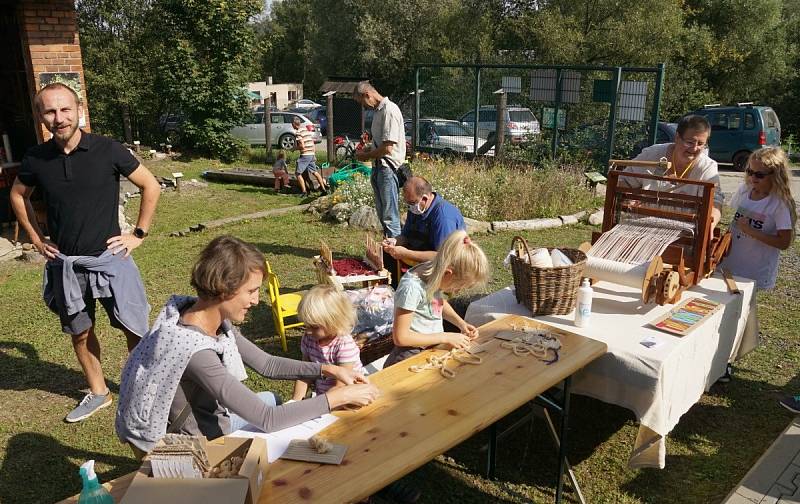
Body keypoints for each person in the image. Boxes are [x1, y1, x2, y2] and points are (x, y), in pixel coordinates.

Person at [116, 235, 379, 455]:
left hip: (202, 416)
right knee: (276, 423)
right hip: (184, 441)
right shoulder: (196, 351)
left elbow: (268, 364)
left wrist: (328, 371)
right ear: (223, 289)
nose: (255, 301)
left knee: (274, 401)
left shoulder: (199, 313)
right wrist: (338, 397)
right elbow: (267, 419)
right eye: (251, 291)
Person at [10, 82, 161, 423]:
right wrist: (35, 238)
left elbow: (150, 185)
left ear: (79, 110)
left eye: (65, 109)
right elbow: (18, 195)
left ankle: (142, 389)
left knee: (134, 328)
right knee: (80, 332)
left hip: (112, 261)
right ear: (41, 117)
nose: (59, 117)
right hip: (67, 266)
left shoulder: (108, 150)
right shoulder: (37, 158)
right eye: (50, 111)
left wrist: (137, 234)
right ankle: (99, 392)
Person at [385, 230, 490, 367]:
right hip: (410, 354)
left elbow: (437, 303)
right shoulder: (411, 289)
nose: (457, 291)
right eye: (458, 287)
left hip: (431, 347)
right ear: (448, 273)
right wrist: (446, 336)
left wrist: (461, 323)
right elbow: (401, 337)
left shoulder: (434, 273)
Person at [620, 114, 724, 230]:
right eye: (690, 142)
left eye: (700, 144)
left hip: (684, 234)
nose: (694, 149)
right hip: (642, 226)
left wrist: (710, 223)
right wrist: (629, 197)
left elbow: (715, 201)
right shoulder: (652, 154)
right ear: (677, 137)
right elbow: (623, 181)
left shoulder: (707, 167)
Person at [353, 81, 407, 239]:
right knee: (383, 213)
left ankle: (395, 256)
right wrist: (368, 149)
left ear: (367, 95)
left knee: (390, 216)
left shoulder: (389, 110)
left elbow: (387, 148)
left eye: (361, 102)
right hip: (379, 167)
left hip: (388, 169)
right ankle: (389, 250)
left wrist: (366, 156)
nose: (363, 106)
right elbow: (381, 144)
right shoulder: (378, 112)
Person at [292, 285, 364, 400]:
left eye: (314, 327)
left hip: (349, 396)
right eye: (306, 325)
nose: (308, 331)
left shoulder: (344, 345)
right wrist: (294, 403)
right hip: (324, 397)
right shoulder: (309, 338)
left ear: (334, 322)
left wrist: (317, 405)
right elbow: (304, 374)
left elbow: (341, 385)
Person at [383, 176, 465, 266]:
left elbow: (443, 257)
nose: (410, 207)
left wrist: (405, 253)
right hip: (422, 257)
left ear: (425, 199)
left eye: (412, 203)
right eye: (407, 203)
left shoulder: (443, 217)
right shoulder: (417, 208)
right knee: (385, 257)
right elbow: (406, 236)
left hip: (444, 267)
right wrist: (394, 241)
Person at [292, 116, 328, 197]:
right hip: (311, 153)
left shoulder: (298, 132)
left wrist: (294, 148)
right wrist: (313, 154)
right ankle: (323, 189)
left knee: (297, 173)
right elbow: (312, 142)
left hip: (305, 155)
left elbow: (302, 146)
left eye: (292, 124)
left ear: (294, 124)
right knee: (315, 172)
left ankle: (304, 192)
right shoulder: (306, 130)